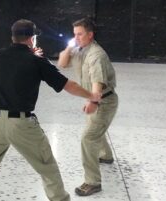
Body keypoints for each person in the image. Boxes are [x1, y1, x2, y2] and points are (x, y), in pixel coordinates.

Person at [0, 19, 101, 201]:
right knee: (47, 167)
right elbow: (68, 85)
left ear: (13, 37)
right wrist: (91, 95)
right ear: (32, 38)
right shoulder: (36, 61)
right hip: (22, 125)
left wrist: (32, 57)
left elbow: (12, 68)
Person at [58, 17, 118, 196]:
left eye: (80, 34)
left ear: (90, 35)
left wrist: (93, 101)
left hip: (104, 101)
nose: (76, 37)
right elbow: (61, 63)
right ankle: (105, 156)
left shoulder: (96, 55)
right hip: (97, 98)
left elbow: (97, 82)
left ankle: (93, 182)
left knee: (88, 137)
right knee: (95, 128)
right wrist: (69, 47)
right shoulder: (79, 49)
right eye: (74, 34)